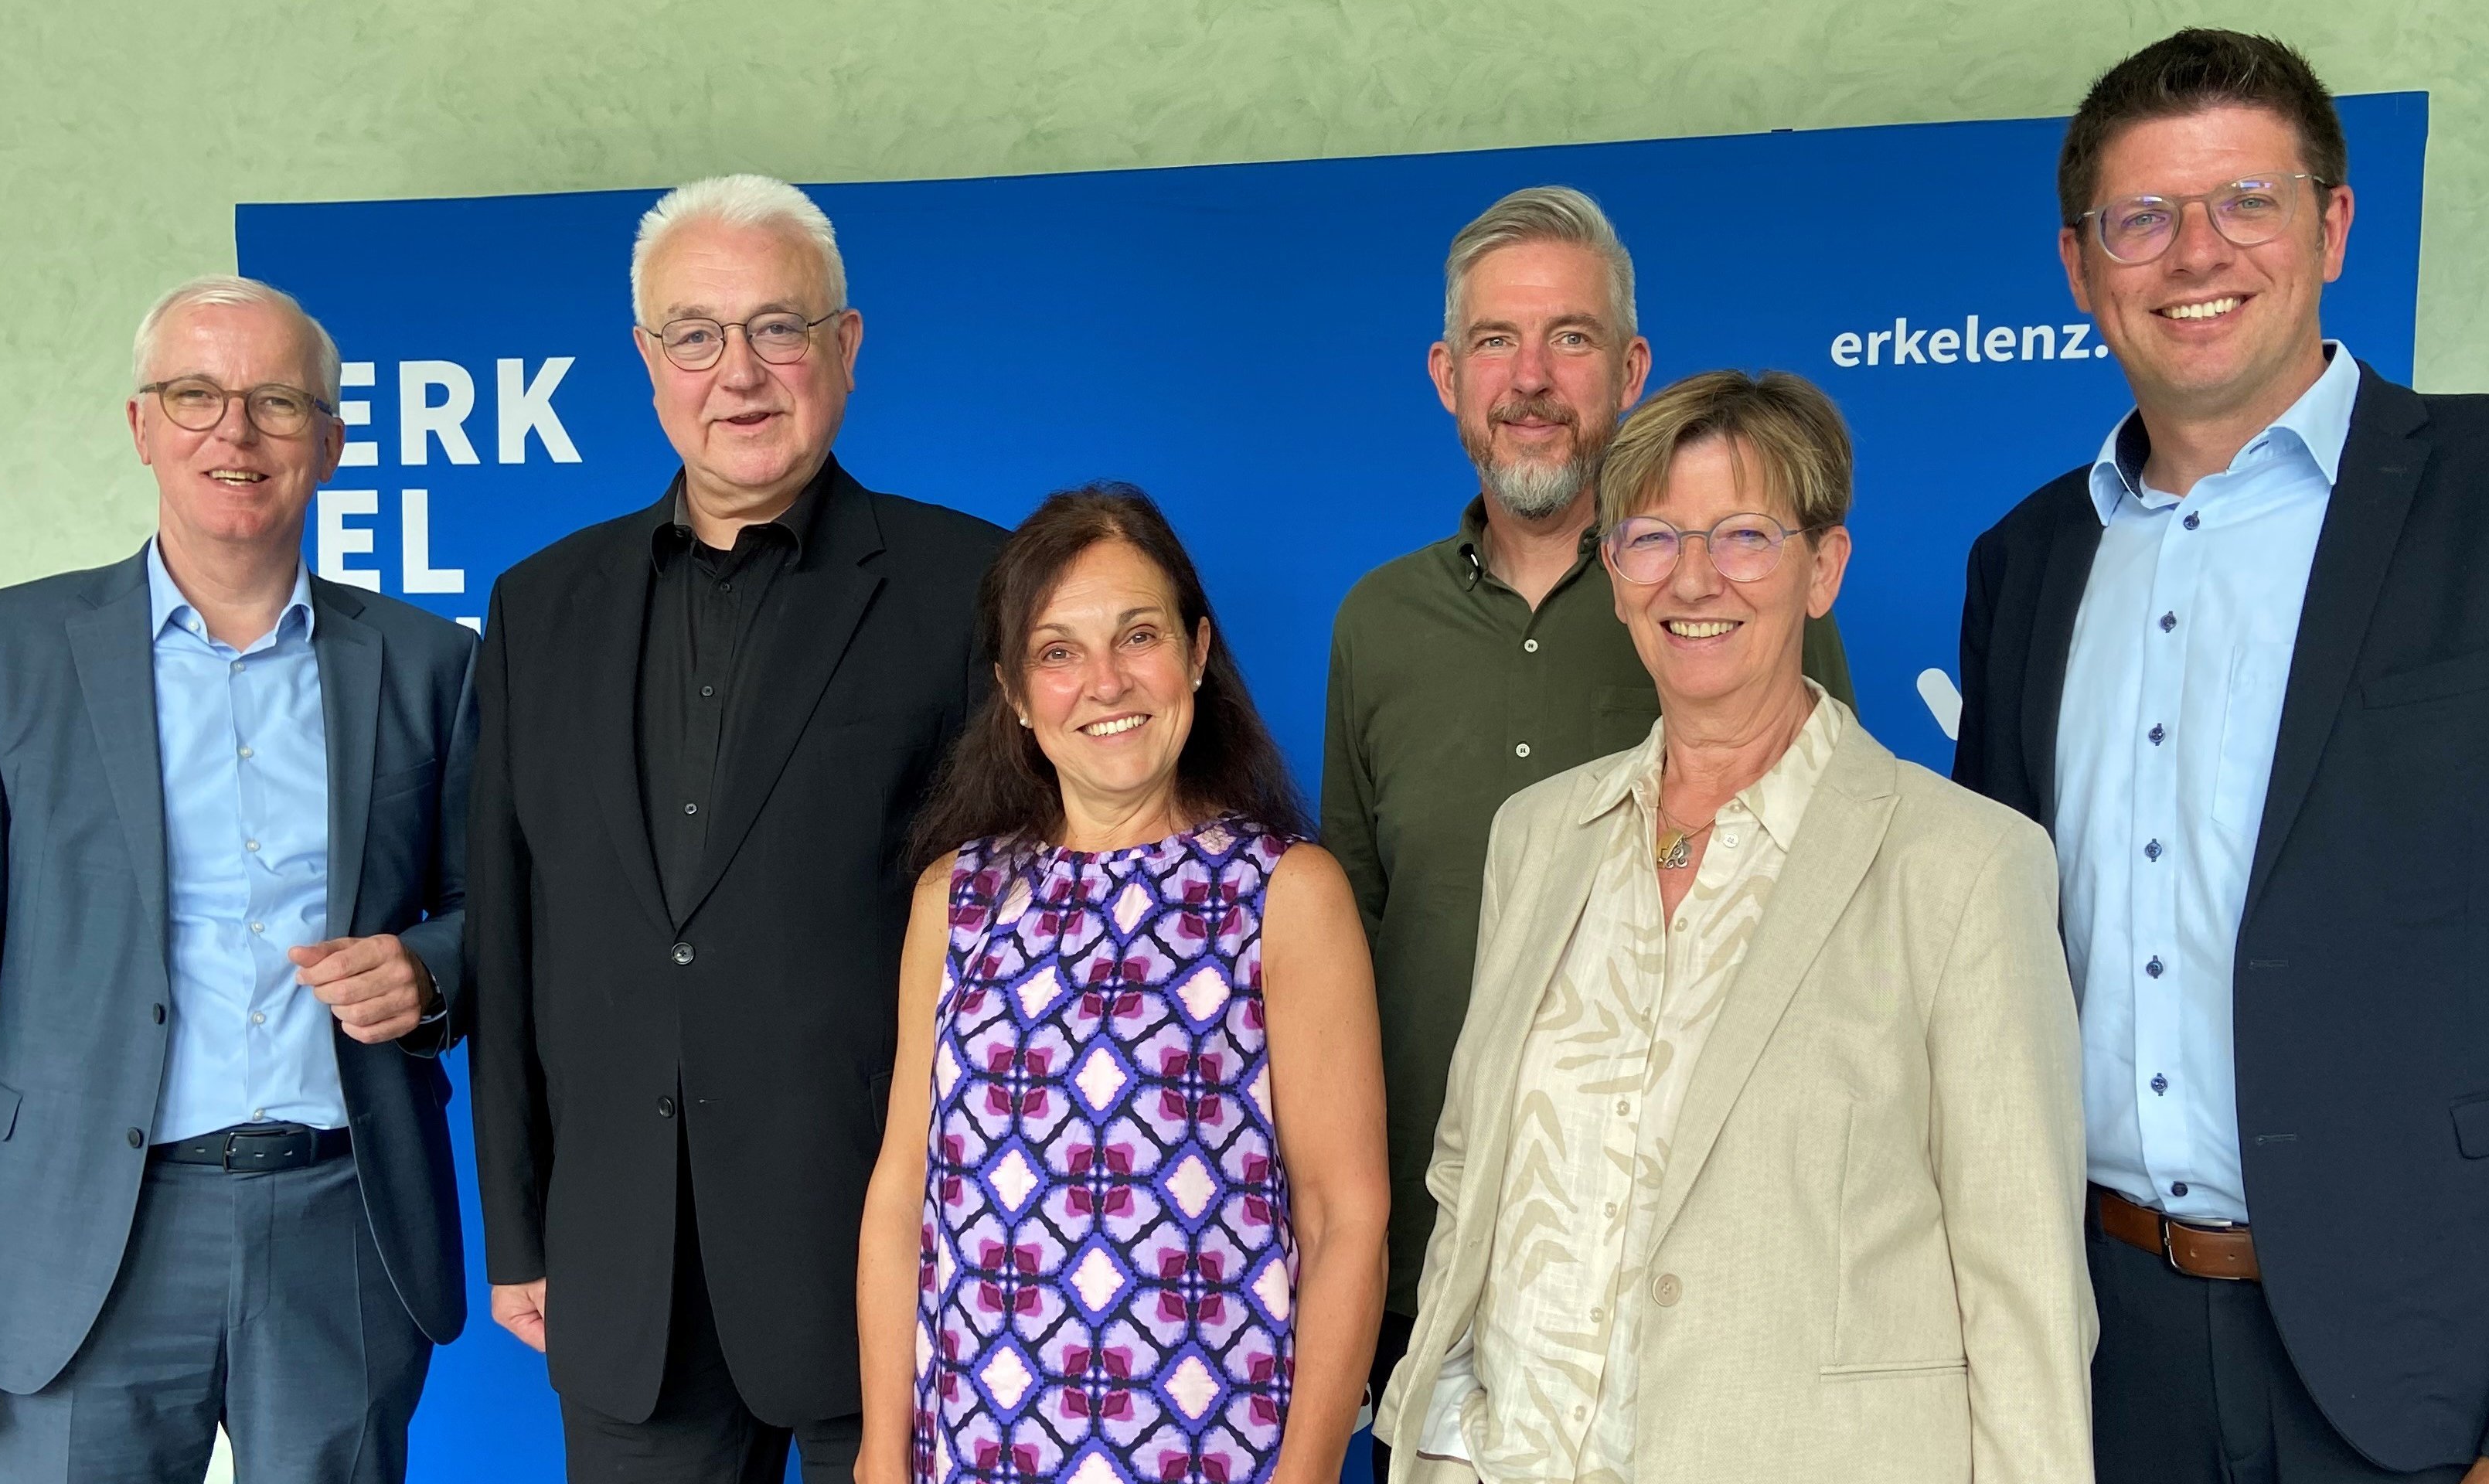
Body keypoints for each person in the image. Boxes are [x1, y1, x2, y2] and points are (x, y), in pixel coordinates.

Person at [1950, 30, 2489, 1484]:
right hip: (2096, 1362)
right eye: (2143, 218)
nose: (2196, 253)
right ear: (2079, 266)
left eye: (2248, 200)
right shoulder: (2029, 562)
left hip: (2440, 1380)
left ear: (2333, 224)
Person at [1377, 369, 2092, 1483]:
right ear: (1612, 574)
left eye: (1745, 535)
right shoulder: (1538, 836)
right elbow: (1474, 1176)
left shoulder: (1965, 867)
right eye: (1652, 537)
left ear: (1824, 568)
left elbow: (2025, 1290)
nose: (1695, 578)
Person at [0, 276, 478, 1482]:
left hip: (342, 1224)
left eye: (277, 403)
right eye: (196, 395)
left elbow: (495, 917)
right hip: (78, 1238)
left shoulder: (431, 666)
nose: (233, 434)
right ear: (142, 426)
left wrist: (429, 969)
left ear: (332, 443)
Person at [467, 173, 1005, 1482]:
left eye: (779, 326)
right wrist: (522, 1230)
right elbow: (511, 928)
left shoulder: (971, 589)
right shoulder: (540, 607)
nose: (741, 372)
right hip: (624, 1276)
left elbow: (1019, 932)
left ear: (847, 346)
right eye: (696, 334)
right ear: (648, 361)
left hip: (888, 1267)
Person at [1318, 189, 1854, 1464]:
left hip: (1691, 1257)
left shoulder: (1727, 602)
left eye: (1571, 338)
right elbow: (1350, 917)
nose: (1533, 380)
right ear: (1449, 376)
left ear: (1631, 367)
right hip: (1435, 1255)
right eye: (1497, 343)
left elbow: (1835, 901)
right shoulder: (1376, 622)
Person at [853, 486, 1388, 1484]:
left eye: (1137, 636)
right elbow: (902, 1197)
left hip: (1214, 1454)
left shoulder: (1285, 894)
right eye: (1059, 652)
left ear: (1195, 653)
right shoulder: (956, 898)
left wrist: (1307, 1475)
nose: (1104, 682)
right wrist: (884, 1453)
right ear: (1014, 691)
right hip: (976, 1452)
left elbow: (1344, 1215)